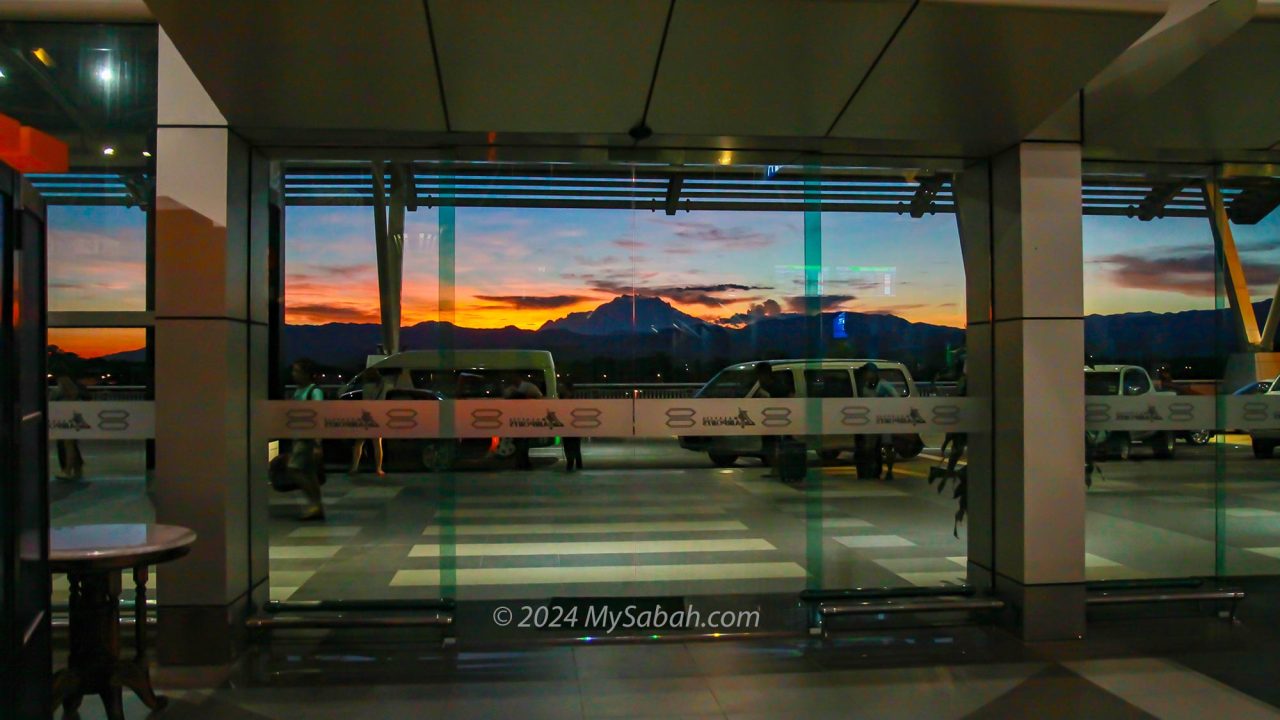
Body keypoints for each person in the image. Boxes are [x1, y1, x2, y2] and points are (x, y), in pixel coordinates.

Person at [289, 359, 326, 521]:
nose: (294, 374)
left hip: (307, 439)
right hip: (299, 436)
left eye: (297, 371)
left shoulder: (314, 392)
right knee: (309, 473)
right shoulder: (299, 391)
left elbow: (317, 416)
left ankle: (314, 504)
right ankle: (316, 505)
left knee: (294, 469)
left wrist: (317, 442)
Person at [856, 362, 900, 480]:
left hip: (885, 420)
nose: (865, 375)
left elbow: (897, 399)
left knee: (887, 446)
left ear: (873, 373)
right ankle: (872, 470)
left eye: (867, 372)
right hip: (871, 421)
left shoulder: (884, 385)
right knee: (869, 447)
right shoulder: (866, 386)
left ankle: (890, 471)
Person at [349, 367, 392, 475]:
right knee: (377, 444)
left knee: (358, 443)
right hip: (379, 416)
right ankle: (378, 469)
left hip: (367, 416)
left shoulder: (366, 387)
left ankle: (354, 467)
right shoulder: (385, 386)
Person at [503, 373, 543, 470]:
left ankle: (523, 463)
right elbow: (505, 399)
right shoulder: (510, 389)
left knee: (523, 443)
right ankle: (522, 463)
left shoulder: (529, 387)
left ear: (520, 378)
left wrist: (526, 396)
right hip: (515, 418)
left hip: (526, 418)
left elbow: (539, 396)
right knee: (519, 443)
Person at [51, 371, 86, 480]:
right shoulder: (75, 394)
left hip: (63, 423)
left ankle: (67, 470)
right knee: (72, 445)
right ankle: (76, 470)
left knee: (66, 446)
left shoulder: (57, 393)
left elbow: (51, 402)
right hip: (74, 422)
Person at [560, 380, 583, 473]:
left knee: (571, 445)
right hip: (572, 425)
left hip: (571, 425)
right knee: (574, 446)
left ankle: (572, 463)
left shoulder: (565, 400)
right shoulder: (575, 399)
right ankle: (577, 464)